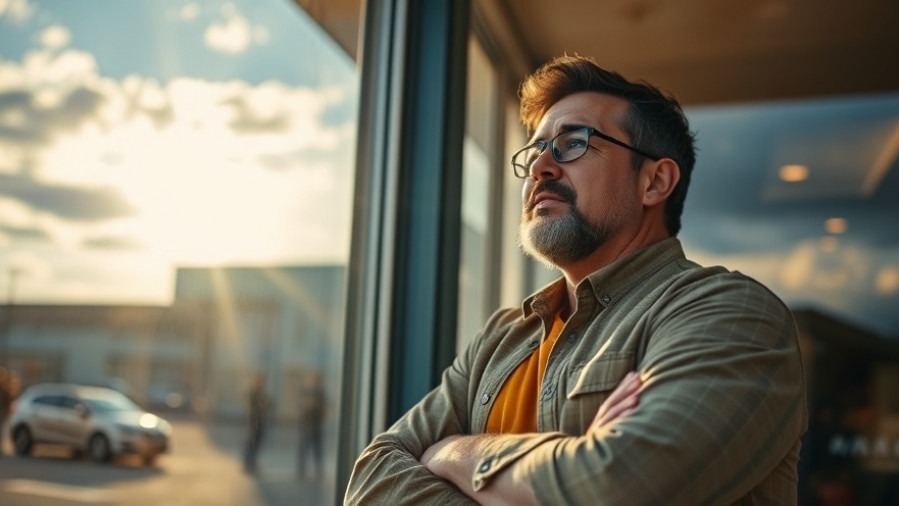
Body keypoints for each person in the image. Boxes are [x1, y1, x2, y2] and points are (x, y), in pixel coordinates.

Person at [344, 54, 808, 505]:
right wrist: (564, 466)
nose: (541, 168)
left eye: (573, 143)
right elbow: (373, 477)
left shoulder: (728, 311)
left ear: (654, 182)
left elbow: (620, 486)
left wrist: (453, 453)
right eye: (535, 151)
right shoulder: (500, 339)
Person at [297, 371, 326, 480]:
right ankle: (301, 469)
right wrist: (307, 405)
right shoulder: (305, 392)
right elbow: (300, 406)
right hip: (306, 424)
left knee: (317, 448)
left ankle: (318, 470)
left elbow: (324, 408)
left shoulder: (320, 393)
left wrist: (317, 406)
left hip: (316, 424)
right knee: (303, 447)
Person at [242, 372, 269, 474]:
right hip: (254, 421)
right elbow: (256, 405)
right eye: (260, 380)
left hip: (259, 421)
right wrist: (262, 404)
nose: (262, 383)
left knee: (256, 442)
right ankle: (248, 464)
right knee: (251, 442)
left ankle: (252, 462)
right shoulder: (254, 392)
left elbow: (265, 405)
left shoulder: (260, 392)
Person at [0, 366, 21, 457]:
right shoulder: (7, 388)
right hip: (4, 411)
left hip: (4, 412)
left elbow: (10, 400)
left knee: (4, 429)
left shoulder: (7, 388)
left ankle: (4, 448)